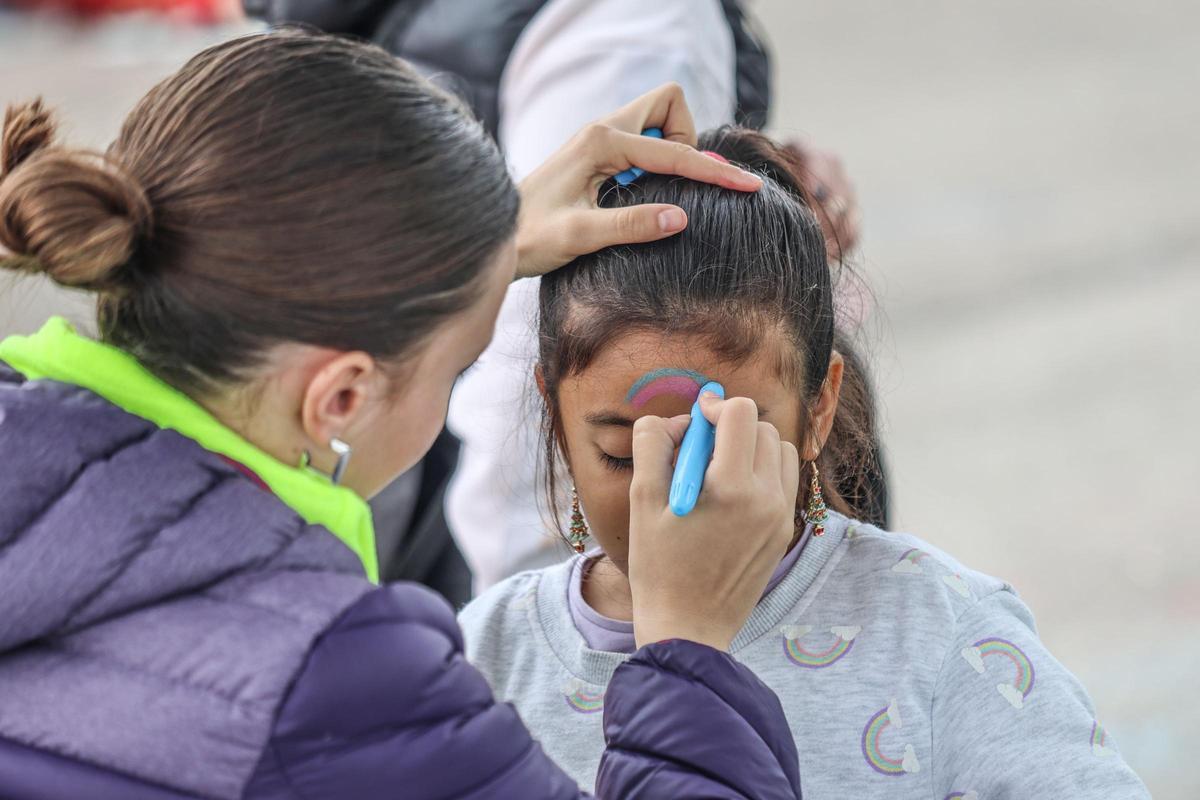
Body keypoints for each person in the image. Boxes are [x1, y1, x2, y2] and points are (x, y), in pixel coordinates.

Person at [0, 30, 805, 799]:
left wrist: (472, 253)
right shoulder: (339, 681)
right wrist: (687, 644)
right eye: (461, 363)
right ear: (340, 400)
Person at [458, 127, 1151, 798]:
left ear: (817, 409)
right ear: (555, 417)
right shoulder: (481, 663)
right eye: (618, 453)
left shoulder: (943, 638)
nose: (673, 494)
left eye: (728, 442)